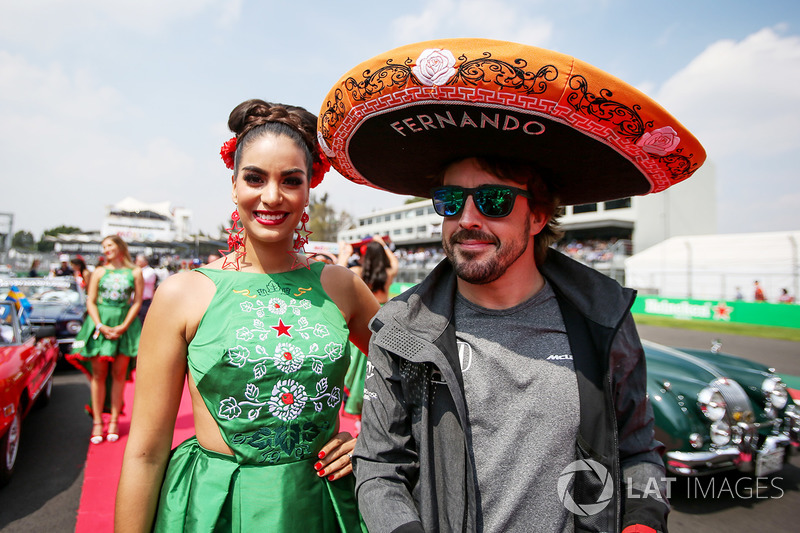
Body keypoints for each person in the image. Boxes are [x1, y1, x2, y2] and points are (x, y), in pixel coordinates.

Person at [318, 39, 708, 532]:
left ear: (539, 215)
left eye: (495, 201)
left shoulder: (603, 319)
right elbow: (379, 468)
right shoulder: (399, 329)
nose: (467, 219)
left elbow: (637, 452)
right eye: (450, 201)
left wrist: (642, 523)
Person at [115, 99, 380, 532]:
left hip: (324, 505)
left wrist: (373, 438)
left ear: (308, 188)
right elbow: (145, 451)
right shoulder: (182, 293)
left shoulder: (342, 285)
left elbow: (413, 376)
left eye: (290, 181)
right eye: (255, 178)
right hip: (216, 506)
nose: (271, 196)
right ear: (234, 184)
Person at [66, 235, 143, 445]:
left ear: (120, 247)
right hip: (99, 325)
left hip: (124, 326)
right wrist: (100, 325)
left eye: (109, 245)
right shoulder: (99, 272)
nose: (106, 249)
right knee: (98, 376)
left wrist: (123, 326)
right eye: (104, 247)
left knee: (119, 375)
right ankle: (98, 422)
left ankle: (115, 421)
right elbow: (90, 301)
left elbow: (137, 302)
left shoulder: (135, 272)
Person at [337, 235, 399, 416]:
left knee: (357, 369)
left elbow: (338, 270)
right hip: (384, 323)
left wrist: (345, 252)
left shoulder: (357, 271)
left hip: (363, 323)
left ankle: (355, 407)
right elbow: (394, 261)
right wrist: (382, 244)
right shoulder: (388, 272)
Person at [135, 253, 157, 324]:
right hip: (135, 301)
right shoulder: (137, 270)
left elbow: (140, 280)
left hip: (145, 302)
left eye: (138, 261)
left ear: (145, 262)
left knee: (142, 322)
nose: (136, 262)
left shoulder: (150, 271)